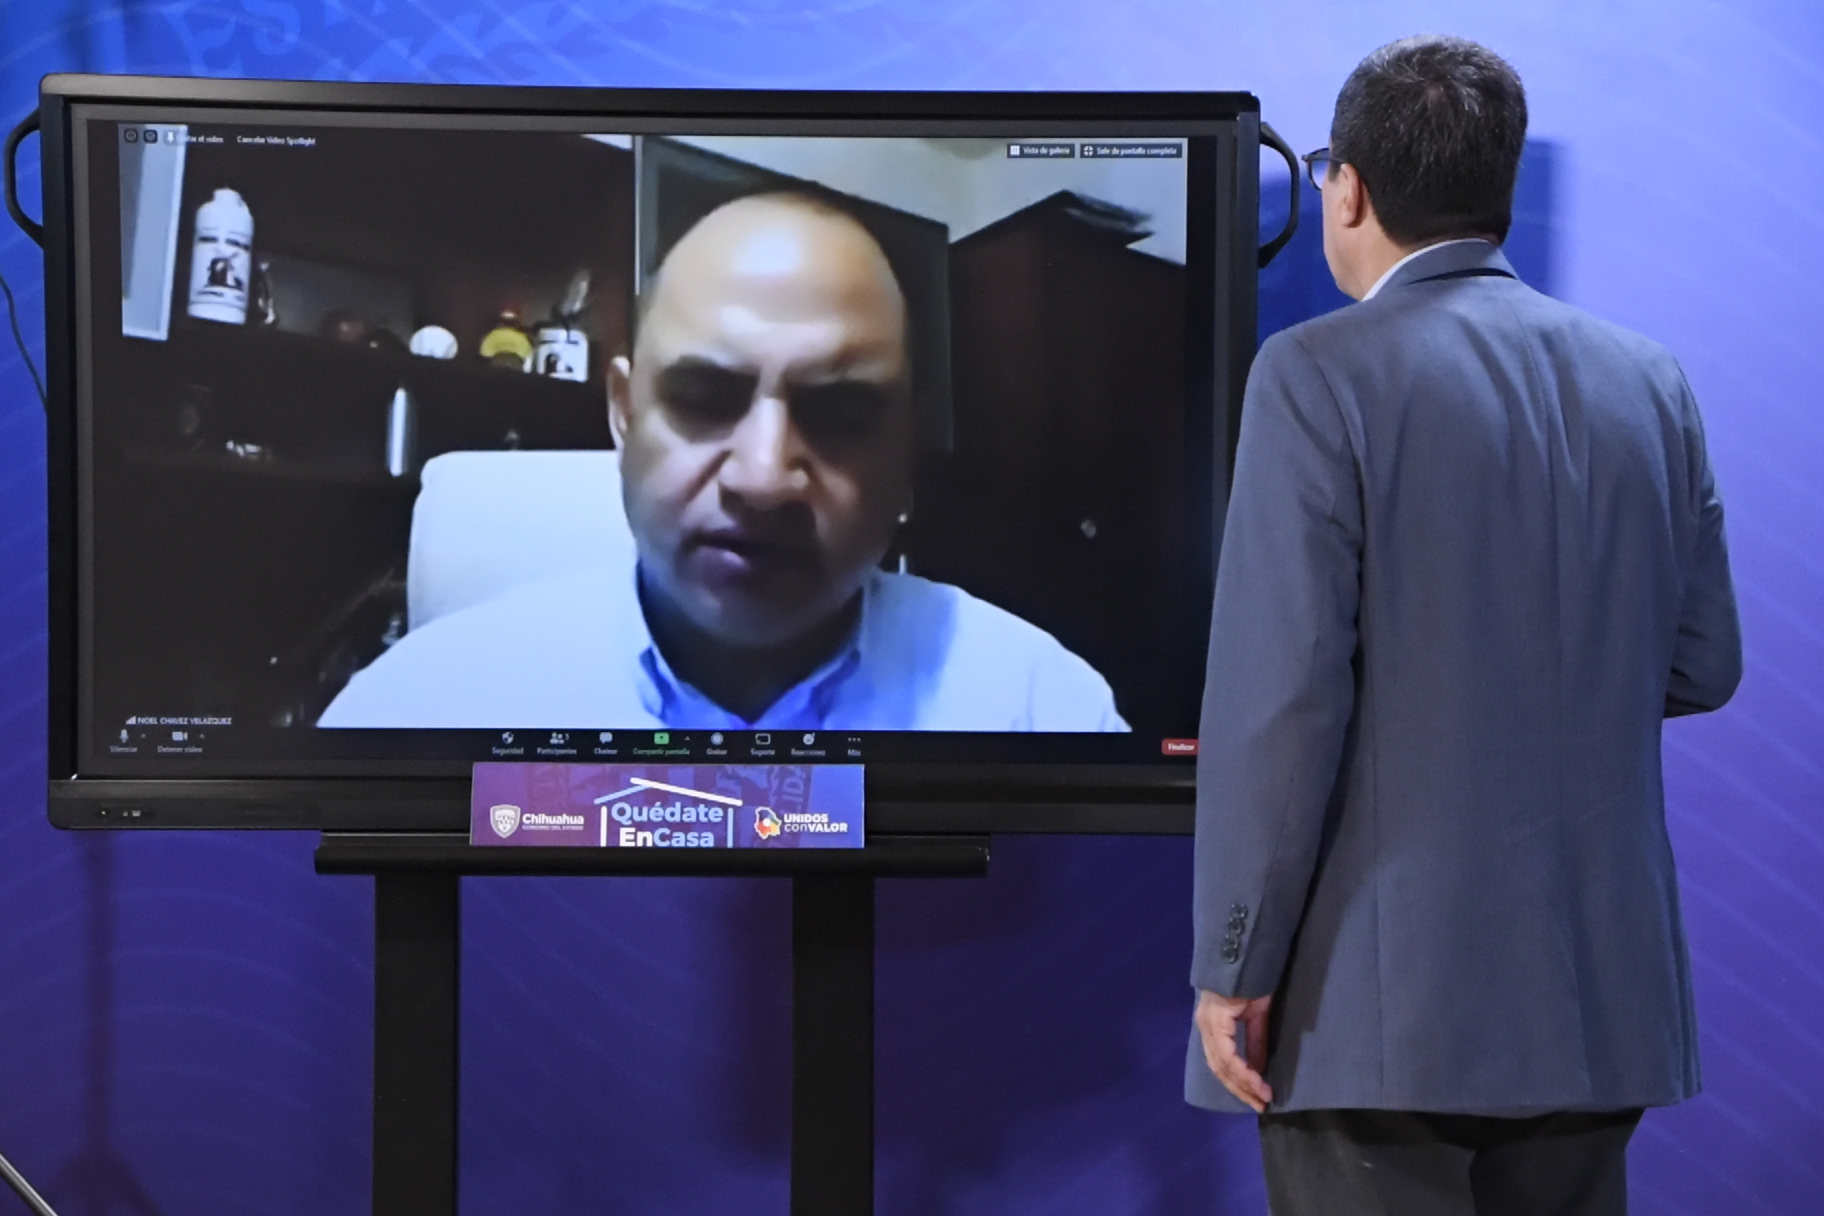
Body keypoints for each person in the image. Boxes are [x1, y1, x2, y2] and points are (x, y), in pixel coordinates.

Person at [1186, 35, 1741, 1216]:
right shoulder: (1650, 381)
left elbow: (1283, 703)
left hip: (1373, 1012)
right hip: (1599, 1005)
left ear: (1348, 190)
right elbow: (1704, 663)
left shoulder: (1313, 375)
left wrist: (1233, 963)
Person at [319, 192, 1126, 731]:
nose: (764, 479)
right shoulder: (420, 706)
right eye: (705, 397)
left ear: (907, 450)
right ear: (623, 413)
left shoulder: (1040, 709)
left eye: (841, 414)